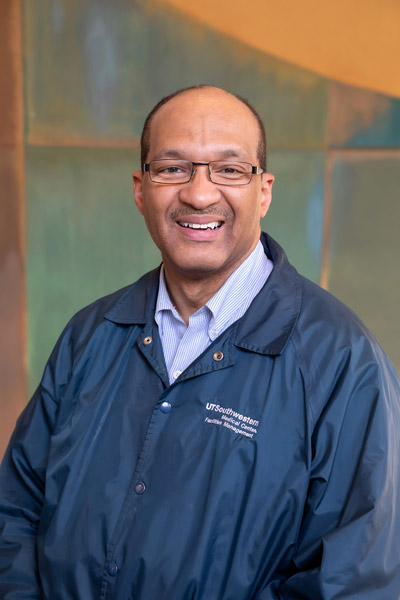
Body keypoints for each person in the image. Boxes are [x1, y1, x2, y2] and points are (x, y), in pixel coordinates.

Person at [0, 85, 399, 600]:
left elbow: (354, 582)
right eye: (173, 168)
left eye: (229, 169)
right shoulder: (90, 335)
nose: (200, 193)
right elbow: (16, 511)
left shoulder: (342, 363)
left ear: (265, 190)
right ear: (141, 189)